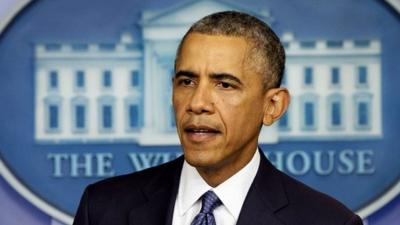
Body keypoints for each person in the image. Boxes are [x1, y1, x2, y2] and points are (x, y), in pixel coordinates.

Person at [73, 11, 363, 225]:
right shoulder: (101, 209)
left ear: (273, 105)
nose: (197, 103)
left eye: (224, 84)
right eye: (186, 82)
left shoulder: (329, 222)